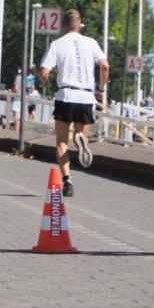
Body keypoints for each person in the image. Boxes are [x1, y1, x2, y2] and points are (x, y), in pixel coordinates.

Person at [38, 10, 109, 197]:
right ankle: (81, 139)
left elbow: (44, 72)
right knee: (79, 134)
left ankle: (67, 181)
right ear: (80, 25)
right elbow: (105, 65)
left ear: (63, 25)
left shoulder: (57, 44)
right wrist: (100, 88)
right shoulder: (91, 43)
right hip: (86, 97)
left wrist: (43, 83)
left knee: (61, 141)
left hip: (65, 95)